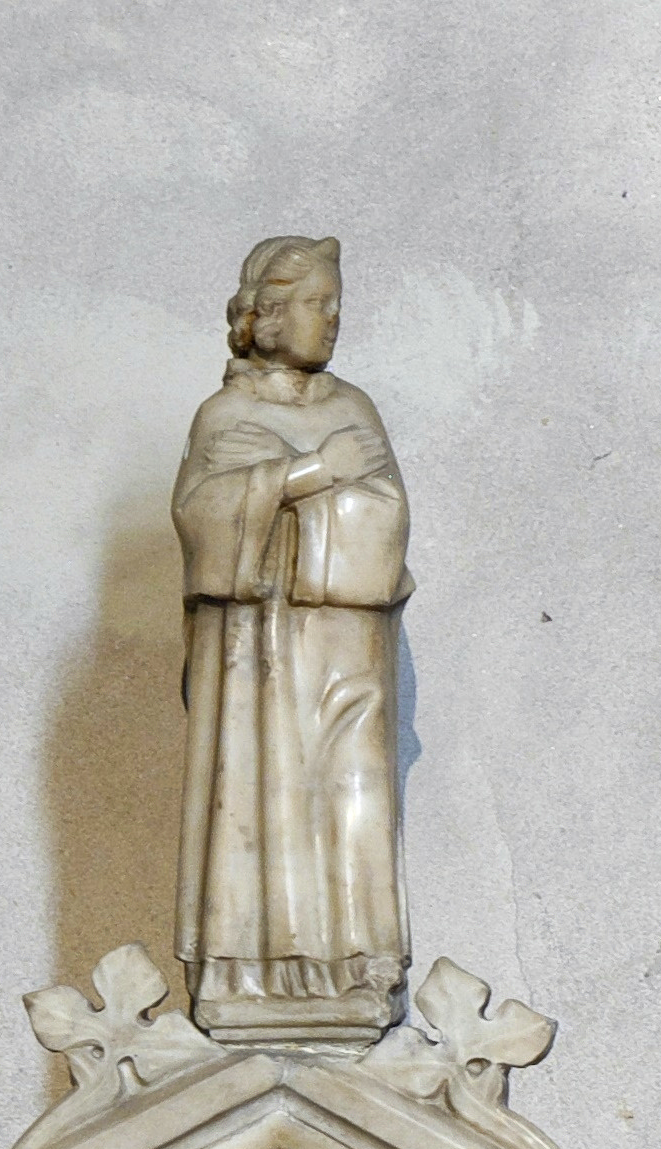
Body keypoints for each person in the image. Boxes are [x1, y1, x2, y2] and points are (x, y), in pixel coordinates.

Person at [174, 235, 412, 1040]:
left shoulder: (354, 410)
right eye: (318, 304)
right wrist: (315, 476)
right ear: (268, 318)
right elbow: (203, 522)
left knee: (353, 784)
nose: (334, 320)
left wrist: (308, 498)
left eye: (338, 304)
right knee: (258, 783)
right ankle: (248, 968)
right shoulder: (227, 415)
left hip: (343, 640)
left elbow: (387, 521)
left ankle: (352, 959)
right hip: (257, 651)